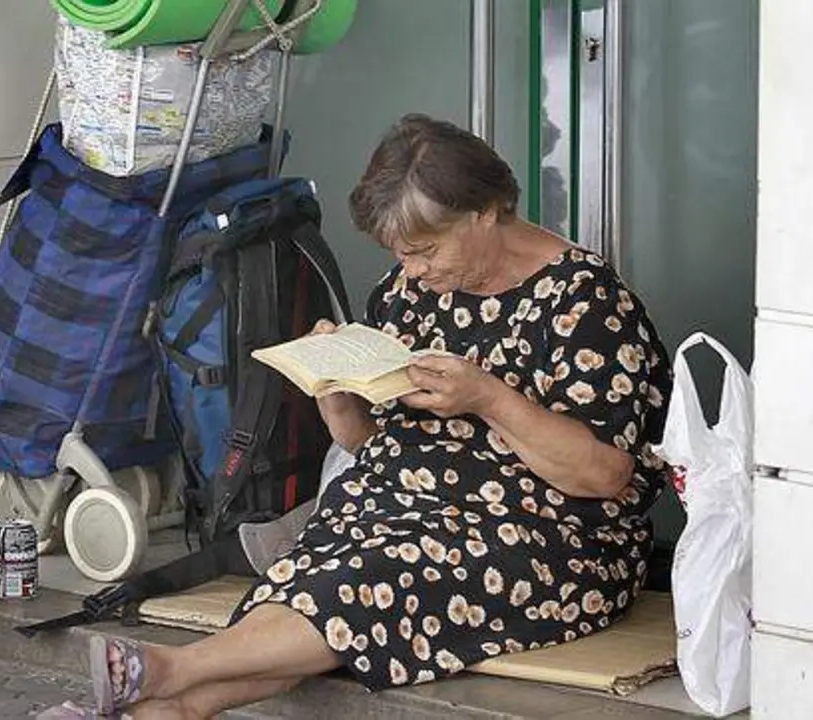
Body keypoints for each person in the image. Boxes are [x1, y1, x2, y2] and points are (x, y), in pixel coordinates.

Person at [93, 114, 673, 719]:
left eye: (425, 250)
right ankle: (169, 709)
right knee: (307, 579)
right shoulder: (410, 290)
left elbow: (604, 477)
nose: (414, 270)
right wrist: (337, 397)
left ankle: (170, 668)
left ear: (488, 209)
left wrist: (490, 398)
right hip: (397, 509)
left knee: (355, 585)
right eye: (401, 254)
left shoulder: (587, 304)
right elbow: (371, 442)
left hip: (544, 539)